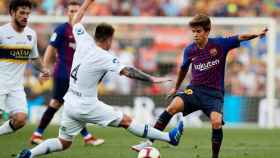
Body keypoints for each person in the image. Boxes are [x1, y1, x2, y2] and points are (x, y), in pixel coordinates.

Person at [16, 0, 183, 157]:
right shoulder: (103, 56)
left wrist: (88, 2)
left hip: (70, 101)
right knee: (126, 121)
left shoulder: (83, 40)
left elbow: (76, 19)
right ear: (109, 39)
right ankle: (169, 137)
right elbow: (128, 71)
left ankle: (30, 154)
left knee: (63, 142)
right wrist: (152, 79)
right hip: (87, 105)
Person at [131, 14, 268, 158]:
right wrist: (176, 88)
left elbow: (240, 37)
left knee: (216, 122)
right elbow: (183, 70)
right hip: (194, 90)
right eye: (193, 31)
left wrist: (257, 34)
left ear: (207, 31)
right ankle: (148, 142)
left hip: (214, 94)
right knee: (172, 107)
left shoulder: (220, 44)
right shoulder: (190, 50)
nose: (195, 35)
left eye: (199, 31)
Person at [30, 0, 104, 146]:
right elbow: (51, 49)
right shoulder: (62, 30)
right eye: (71, 11)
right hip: (63, 74)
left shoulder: (81, 31)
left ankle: (37, 134)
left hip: (75, 76)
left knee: (66, 104)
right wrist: (44, 69)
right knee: (65, 103)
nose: (74, 14)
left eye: (76, 11)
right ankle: (86, 137)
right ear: (67, 13)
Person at [0, 0, 49, 137]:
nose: (25, 16)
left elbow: (34, 58)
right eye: (22, 13)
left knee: (21, 120)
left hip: (16, 86)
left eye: (28, 13)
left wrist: (44, 69)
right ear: (12, 13)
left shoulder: (31, 34)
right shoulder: (2, 33)